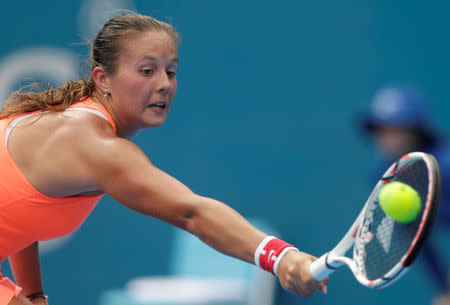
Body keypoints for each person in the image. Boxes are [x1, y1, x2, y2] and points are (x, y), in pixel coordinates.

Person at [0, 13, 328, 305]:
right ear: (103, 79)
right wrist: (281, 257)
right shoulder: (94, 145)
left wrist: (32, 294)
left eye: (170, 72)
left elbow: (18, 217)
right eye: (147, 70)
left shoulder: (69, 127)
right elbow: (191, 213)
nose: (163, 85)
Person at [358, 85, 450, 303]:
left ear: (416, 131)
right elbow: (419, 239)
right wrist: (444, 289)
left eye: (395, 129)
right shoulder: (383, 174)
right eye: (381, 130)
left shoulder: (446, 165)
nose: (386, 138)